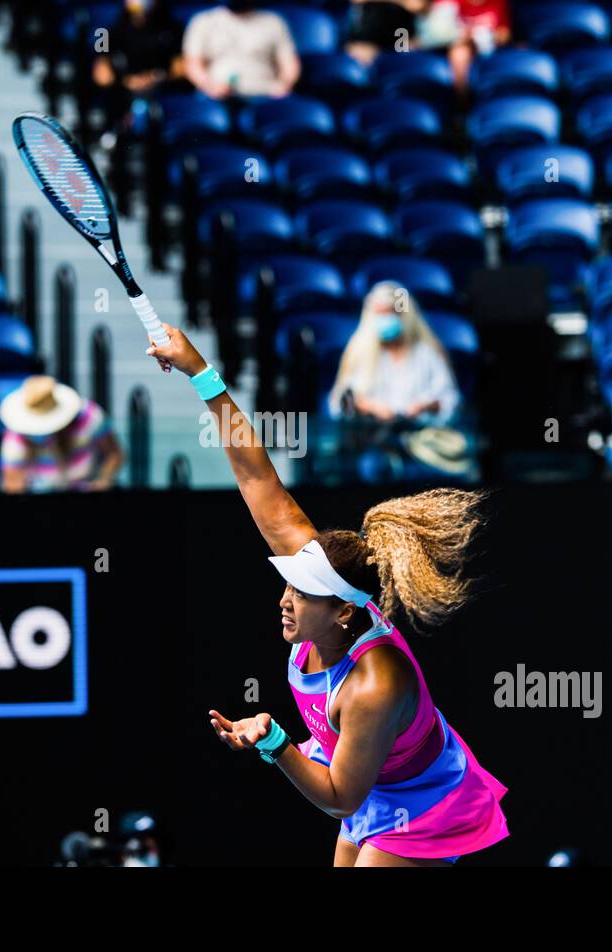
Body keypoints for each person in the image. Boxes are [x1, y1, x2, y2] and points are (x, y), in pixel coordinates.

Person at [147, 322, 509, 867]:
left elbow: (341, 797)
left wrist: (275, 744)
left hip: (424, 805)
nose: (285, 600)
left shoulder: (375, 684)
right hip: (367, 777)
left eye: (303, 594)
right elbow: (255, 478)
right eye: (289, 583)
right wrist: (201, 372)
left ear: (344, 610)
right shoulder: (321, 578)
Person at [329, 282, 461, 425]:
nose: (385, 318)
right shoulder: (359, 353)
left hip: (418, 434)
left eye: (390, 312)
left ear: (403, 315)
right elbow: (338, 403)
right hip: (370, 436)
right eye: (380, 313)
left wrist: (425, 406)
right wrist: (368, 406)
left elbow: (450, 400)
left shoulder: (426, 354)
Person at [0, 376, 124, 493]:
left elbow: (114, 453)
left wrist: (104, 480)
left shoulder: (89, 417)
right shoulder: (15, 438)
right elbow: (12, 483)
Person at [182, 1, 299, 100]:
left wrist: (284, 84)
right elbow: (193, 65)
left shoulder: (273, 21)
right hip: (216, 93)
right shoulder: (203, 21)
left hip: (265, 91)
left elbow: (290, 64)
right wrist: (208, 85)